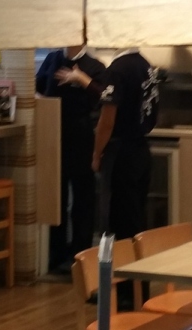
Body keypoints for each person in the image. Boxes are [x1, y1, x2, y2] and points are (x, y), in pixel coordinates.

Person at [36, 43, 106, 272]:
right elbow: (37, 88)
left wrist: (81, 79)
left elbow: (104, 98)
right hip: (52, 136)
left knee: (83, 199)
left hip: (82, 137)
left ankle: (81, 255)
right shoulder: (52, 59)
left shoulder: (94, 66)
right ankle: (55, 255)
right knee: (55, 198)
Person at [92, 48, 159, 243]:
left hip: (121, 153)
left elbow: (107, 121)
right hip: (142, 150)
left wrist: (96, 154)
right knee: (136, 219)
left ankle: (121, 263)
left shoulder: (117, 70)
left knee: (119, 222)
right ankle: (139, 261)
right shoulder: (144, 65)